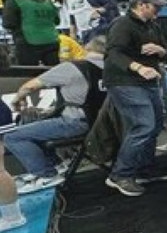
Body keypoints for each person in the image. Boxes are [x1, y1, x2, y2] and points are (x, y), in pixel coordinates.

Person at [6, 36, 107, 193]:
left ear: (86, 47)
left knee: (13, 136)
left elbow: (30, 87)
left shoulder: (73, 67)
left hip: (76, 123)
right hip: (103, 123)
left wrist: (17, 99)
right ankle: (56, 166)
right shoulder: (113, 69)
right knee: (35, 121)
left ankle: (46, 174)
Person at [104, 0, 167, 197]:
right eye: (155, 6)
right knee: (144, 125)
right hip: (125, 81)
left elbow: (166, 50)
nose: (158, 10)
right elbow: (113, 53)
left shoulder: (152, 25)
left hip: (148, 81)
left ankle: (145, 168)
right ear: (141, 5)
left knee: (154, 125)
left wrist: (160, 51)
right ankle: (120, 174)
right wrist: (138, 67)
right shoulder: (122, 25)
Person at [3, 0, 60, 65]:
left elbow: (8, 23)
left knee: (29, 72)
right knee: (53, 71)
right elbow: (57, 21)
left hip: (27, 41)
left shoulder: (14, 1)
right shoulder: (47, 2)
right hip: (51, 40)